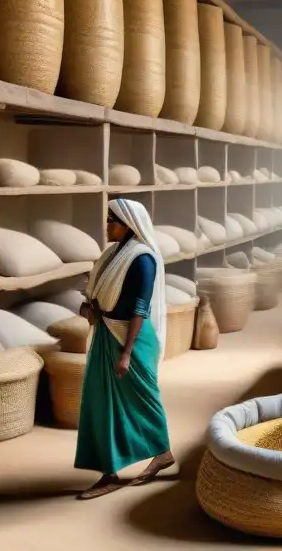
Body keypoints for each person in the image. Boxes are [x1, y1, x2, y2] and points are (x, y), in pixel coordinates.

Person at [75, 197, 175, 500]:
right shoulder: (112, 254)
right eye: (108, 219)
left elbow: (139, 309)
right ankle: (110, 469)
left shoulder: (143, 259)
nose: (107, 226)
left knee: (143, 396)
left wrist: (128, 353)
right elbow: (97, 296)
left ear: (128, 224)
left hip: (130, 337)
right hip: (107, 333)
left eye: (112, 220)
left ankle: (162, 452)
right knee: (102, 401)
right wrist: (89, 308)